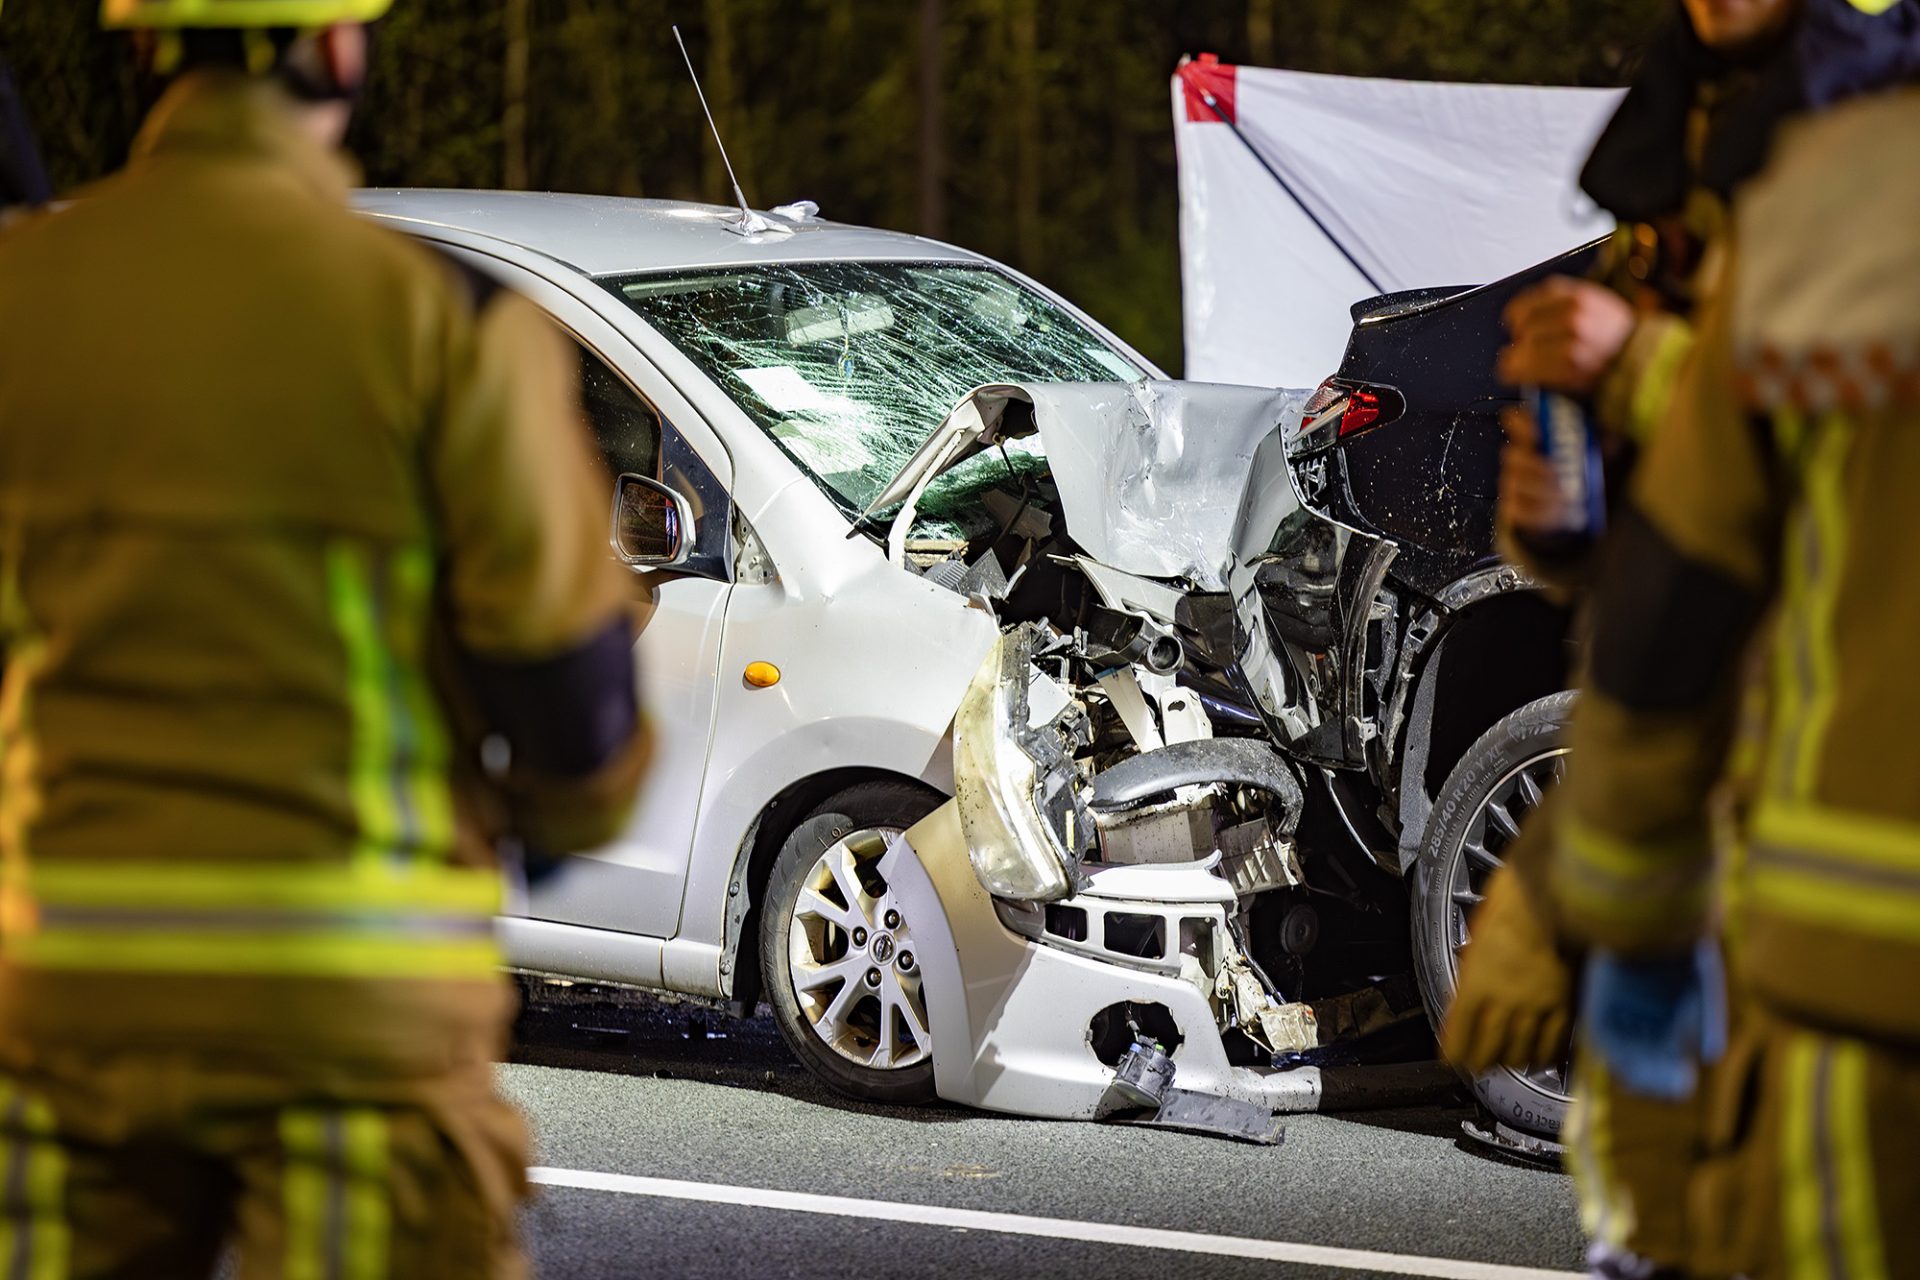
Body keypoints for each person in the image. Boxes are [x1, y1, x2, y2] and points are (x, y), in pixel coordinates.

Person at [0, 0, 651, 1273]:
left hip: (65, 1011)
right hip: (350, 1013)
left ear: (139, 49)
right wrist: (560, 820)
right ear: (341, 48)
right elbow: (573, 697)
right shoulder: (439, 318)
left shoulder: (22, 301)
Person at [1444, 2, 1918, 1276]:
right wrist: (1568, 514)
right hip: (1732, 881)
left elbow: (1770, 488)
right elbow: (1681, 568)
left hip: (1836, 939)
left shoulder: (1868, 171)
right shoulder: (1693, 148)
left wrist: (1649, 372)